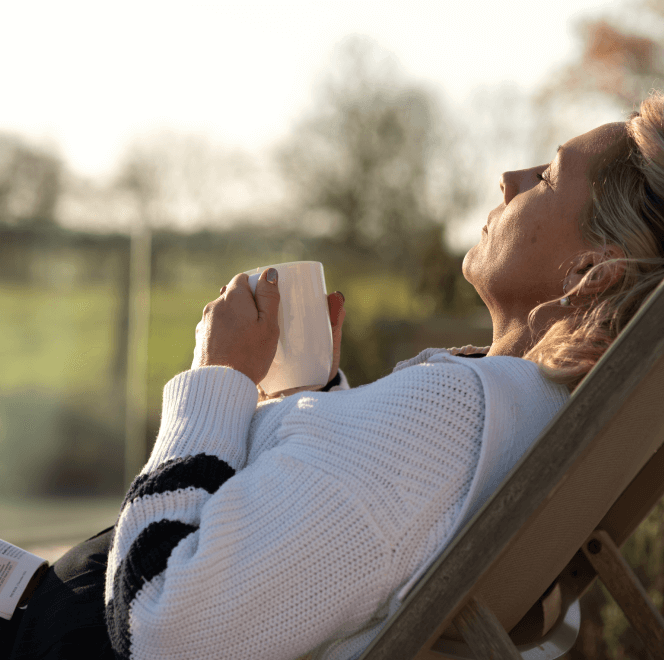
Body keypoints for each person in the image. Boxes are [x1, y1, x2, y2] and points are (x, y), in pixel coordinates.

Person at [5, 90, 664, 660]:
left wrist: (215, 381)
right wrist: (310, 400)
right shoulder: (516, 415)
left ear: (592, 273)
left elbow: (165, 631)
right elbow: (358, 536)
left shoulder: (446, 417)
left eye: (546, 177)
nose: (508, 177)